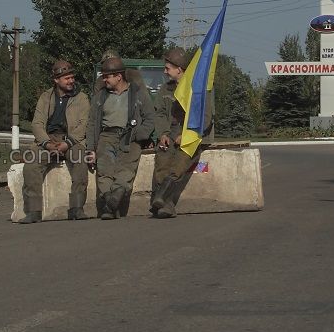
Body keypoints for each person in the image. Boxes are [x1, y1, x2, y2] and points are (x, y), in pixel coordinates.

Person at [18, 60, 90, 223]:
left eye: (72, 77)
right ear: (56, 80)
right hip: (49, 139)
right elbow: (37, 123)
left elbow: (83, 124)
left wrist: (67, 143)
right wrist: (47, 144)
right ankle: (33, 211)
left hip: (72, 139)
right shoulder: (46, 97)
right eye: (67, 78)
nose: (71, 81)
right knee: (31, 163)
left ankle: (77, 208)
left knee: (80, 161)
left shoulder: (82, 98)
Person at [84, 56, 155, 220]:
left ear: (119, 76)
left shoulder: (138, 93)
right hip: (106, 136)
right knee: (104, 171)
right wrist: (90, 148)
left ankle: (111, 203)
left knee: (126, 169)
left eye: (107, 76)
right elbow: (92, 124)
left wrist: (139, 134)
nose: (104, 79)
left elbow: (150, 118)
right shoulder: (100, 97)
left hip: (130, 136)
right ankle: (111, 202)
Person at [151, 47, 211, 218]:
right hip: (171, 132)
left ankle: (162, 198)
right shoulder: (166, 89)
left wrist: (187, 135)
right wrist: (162, 133)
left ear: (179, 69)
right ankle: (165, 203)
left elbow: (204, 118)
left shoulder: (198, 88)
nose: (165, 71)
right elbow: (160, 113)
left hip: (193, 134)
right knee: (162, 158)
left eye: (168, 68)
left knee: (180, 162)